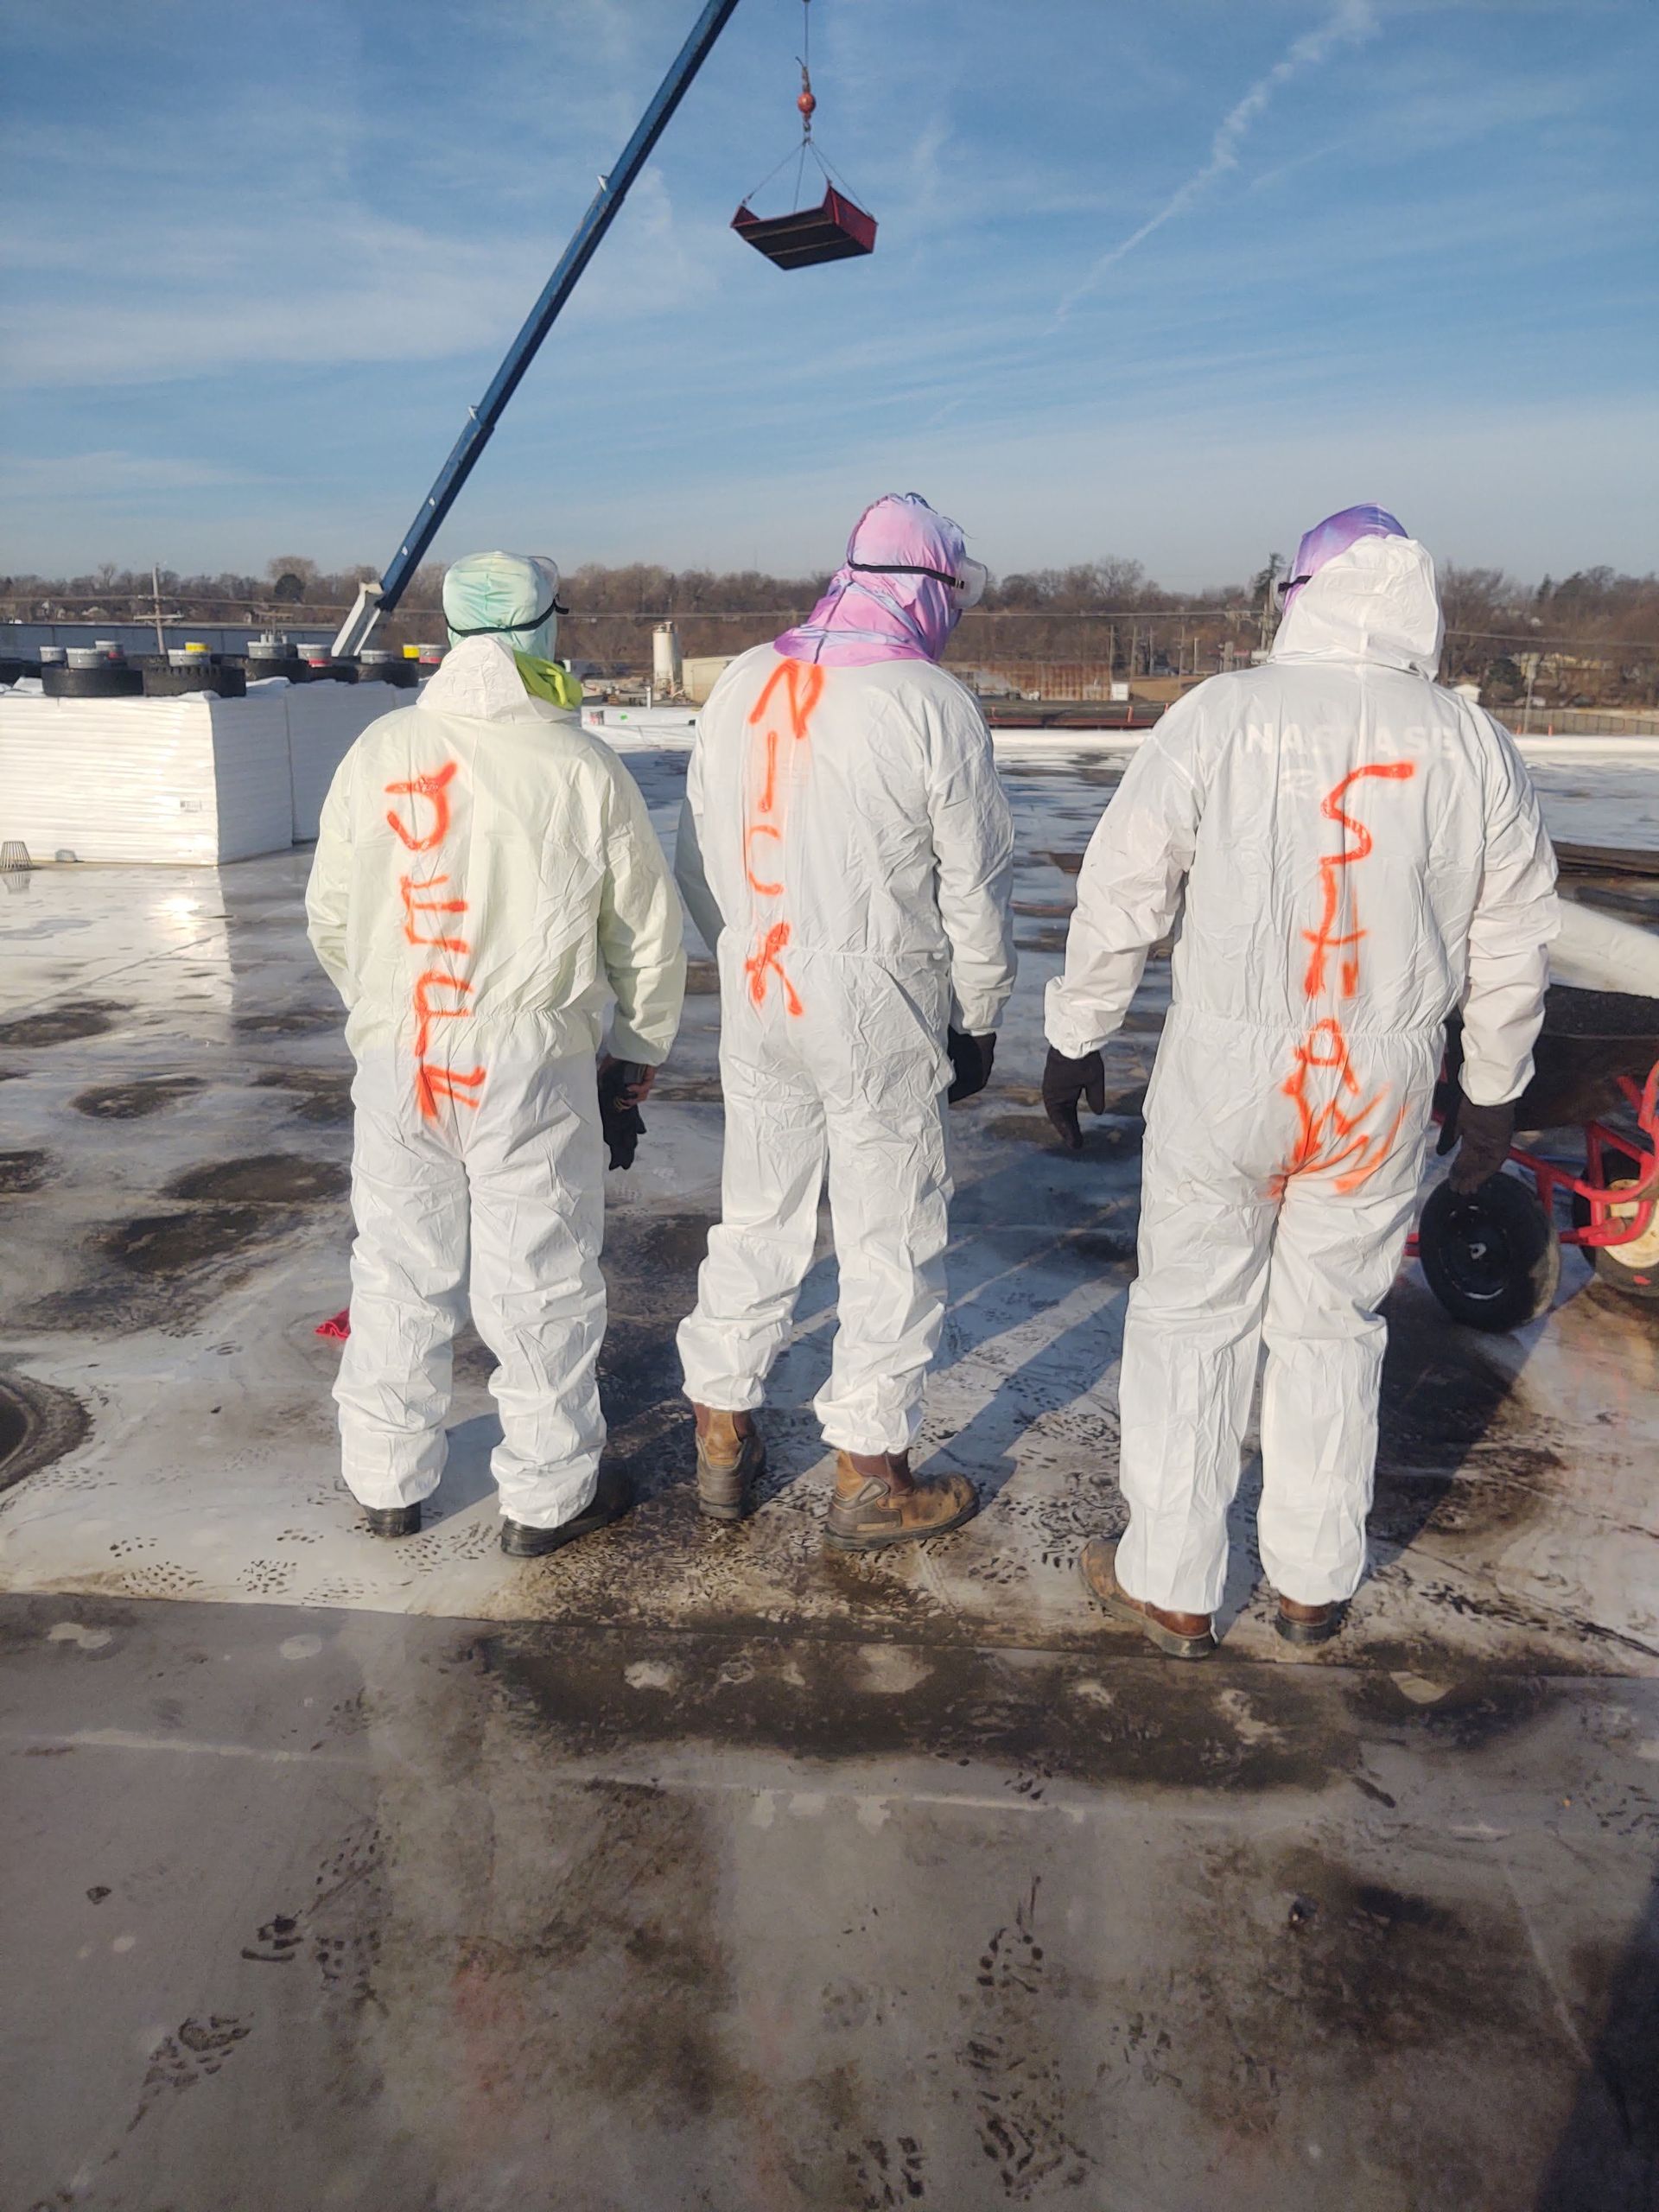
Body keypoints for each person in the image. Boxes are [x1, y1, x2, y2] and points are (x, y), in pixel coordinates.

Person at [1045, 507, 1558, 1655]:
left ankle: (1174, 1582)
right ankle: (1314, 1582)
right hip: (1375, 1082)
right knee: (1334, 1325)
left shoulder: (1223, 714)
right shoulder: (1472, 745)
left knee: (1190, 1316)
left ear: (1304, 593)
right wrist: (1491, 1090)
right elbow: (1514, 939)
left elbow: (1128, 881)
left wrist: (1078, 1030)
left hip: (1228, 1073)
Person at [306, 550, 686, 1554]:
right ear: (537, 635)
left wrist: (387, 1009)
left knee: (396, 1263)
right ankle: (548, 1496)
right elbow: (644, 929)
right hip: (527, 1059)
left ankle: (387, 1482)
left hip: (403, 1050)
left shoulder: (382, 748)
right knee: (542, 1273)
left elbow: (334, 913)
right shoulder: (577, 764)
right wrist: (637, 1050)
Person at [675, 493, 1017, 1548]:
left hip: (761, 985)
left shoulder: (741, 681)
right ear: (929, 588)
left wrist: (738, 949)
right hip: (876, 999)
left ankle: (722, 1433)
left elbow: (692, 848)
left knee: (760, 1210)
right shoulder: (928, 702)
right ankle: (872, 1468)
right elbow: (975, 879)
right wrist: (980, 1009)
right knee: (888, 1231)